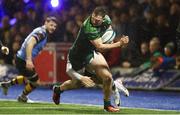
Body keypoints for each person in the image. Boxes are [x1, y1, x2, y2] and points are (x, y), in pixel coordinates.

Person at [52, 7, 129, 112]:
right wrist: (119, 44)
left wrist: (110, 39)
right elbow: (100, 47)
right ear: (92, 14)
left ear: (103, 19)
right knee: (78, 83)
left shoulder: (107, 20)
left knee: (107, 78)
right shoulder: (88, 27)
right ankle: (58, 89)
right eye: (93, 18)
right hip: (77, 57)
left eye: (97, 20)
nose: (94, 21)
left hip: (90, 53)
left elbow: (109, 29)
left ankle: (107, 105)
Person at [0, 16, 57, 102]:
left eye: (55, 26)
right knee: (36, 82)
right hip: (23, 60)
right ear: (46, 23)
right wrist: (29, 59)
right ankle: (22, 97)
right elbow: (30, 43)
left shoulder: (42, 32)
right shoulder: (42, 32)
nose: (53, 28)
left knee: (29, 78)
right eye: (51, 25)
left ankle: (7, 85)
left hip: (21, 59)